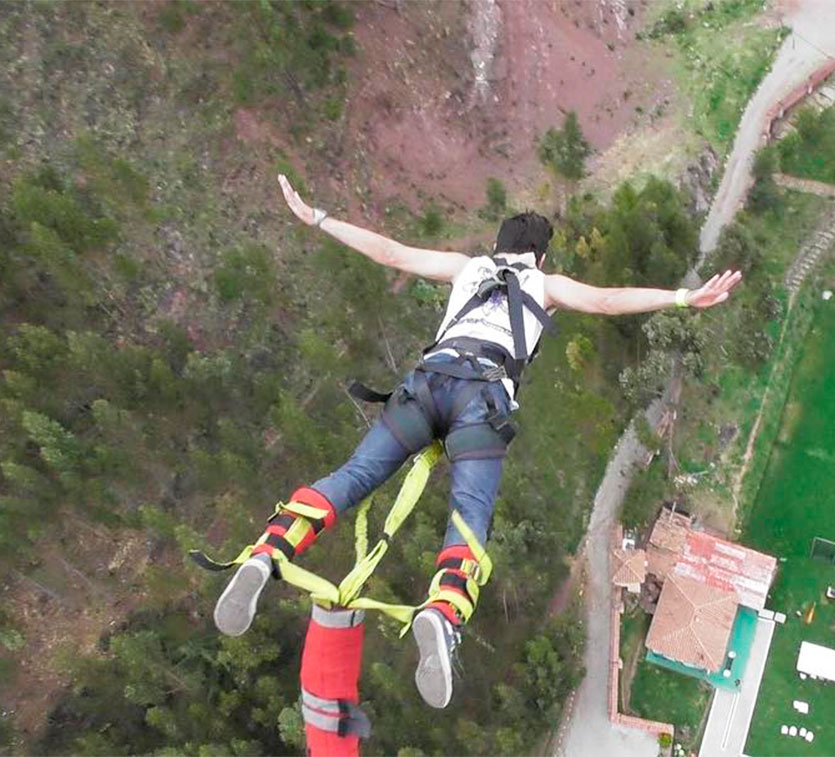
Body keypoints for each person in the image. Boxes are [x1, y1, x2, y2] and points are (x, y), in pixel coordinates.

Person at [213, 174, 742, 709]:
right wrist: (682, 297)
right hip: (481, 401)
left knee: (354, 476)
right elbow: (605, 300)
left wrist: (320, 218)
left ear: (498, 246)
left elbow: (391, 253)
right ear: (539, 255)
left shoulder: (467, 268)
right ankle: (442, 611)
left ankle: (270, 548)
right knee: (469, 512)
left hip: (425, 384)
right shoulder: (544, 284)